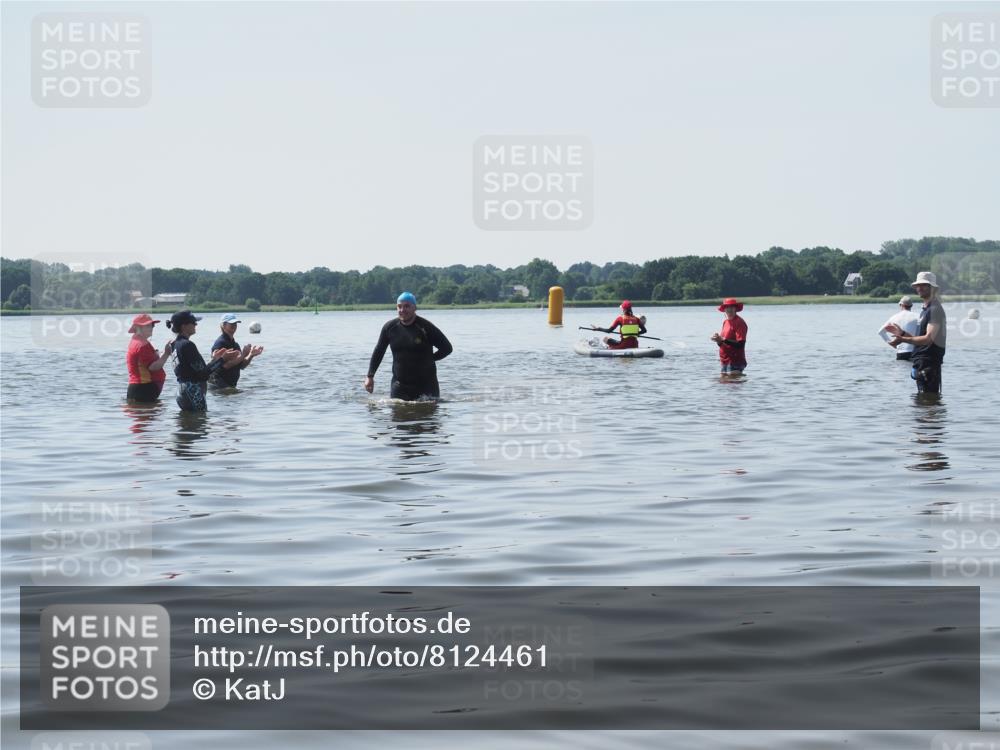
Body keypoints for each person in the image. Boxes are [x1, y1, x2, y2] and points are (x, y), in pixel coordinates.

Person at [364, 292, 453, 401]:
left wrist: (430, 359)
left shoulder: (425, 327)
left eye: (406, 306)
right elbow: (379, 351)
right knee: (397, 412)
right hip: (399, 386)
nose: (402, 310)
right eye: (399, 306)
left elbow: (447, 348)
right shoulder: (390, 328)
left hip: (426, 385)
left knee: (427, 416)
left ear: (414, 308)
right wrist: (370, 376)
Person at [164, 310, 241, 411]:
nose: (196, 324)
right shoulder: (187, 345)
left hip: (182, 393)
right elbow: (204, 374)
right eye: (193, 322)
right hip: (193, 393)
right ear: (184, 326)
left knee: (189, 425)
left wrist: (214, 360)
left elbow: (194, 371)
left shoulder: (174, 344)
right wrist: (223, 359)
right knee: (200, 425)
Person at [885, 271, 947, 394]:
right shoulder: (925, 309)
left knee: (929, 404)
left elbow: (929, 338)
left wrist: (903, 339)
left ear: (932, 288)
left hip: (929, 364)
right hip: (921, 363)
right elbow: (920, 339)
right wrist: (902, 333)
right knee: (923, 406)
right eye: (918, 285)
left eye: (924, 285)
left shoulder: (935, 309)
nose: (919, 288)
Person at [209, 313, 264, 389]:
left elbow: (241, 365)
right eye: (231, 323)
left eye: (235, 323)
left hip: (229, 386)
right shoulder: (220, 343)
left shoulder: (235, 344)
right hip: (218, 386)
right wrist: (243, 355)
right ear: (223, 325)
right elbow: (225, 366)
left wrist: (251, 355)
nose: (234, 325)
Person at [125, 313, 171, 402]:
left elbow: (147, 361)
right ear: (137, 327)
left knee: (143, 413)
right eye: (147, 326)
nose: (151, 328)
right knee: (146, 414)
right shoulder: (142, 345)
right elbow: (153, 367)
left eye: (152, 325)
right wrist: (166, 354)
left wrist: (159, 355)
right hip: (144, 387)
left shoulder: (136, 340)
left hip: (139, 388)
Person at [710, 297, 748, 374]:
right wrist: (718, 340)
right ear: (724, 309)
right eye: (727, 307)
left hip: (735, 362)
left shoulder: (739, 322)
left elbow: (740, 344)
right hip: (724, 361)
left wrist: (723, 339)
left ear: (735, 309)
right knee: (724, 385)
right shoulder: (725, 322)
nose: (729, 309)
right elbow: (722, 344)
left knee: (734, 384)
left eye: (731, 307)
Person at [879, 296, 920, 361]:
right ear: (911, 305)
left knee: (901, 370)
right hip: (916, 351)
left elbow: (880, 332)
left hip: (901, 352)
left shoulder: (894, 317)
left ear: (900, 305)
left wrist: (891, 343)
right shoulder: (918, 316)